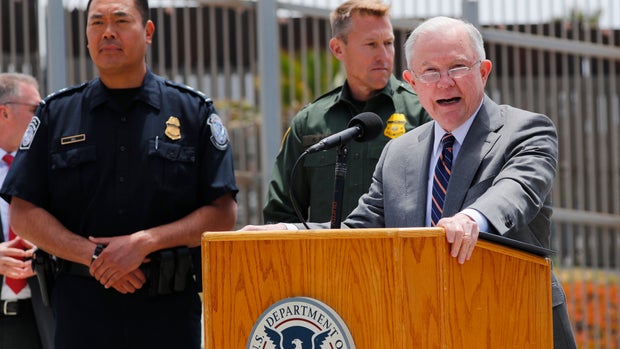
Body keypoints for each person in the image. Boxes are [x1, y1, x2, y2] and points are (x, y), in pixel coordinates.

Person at [244, 16, 577, 348]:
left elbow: (517, 189)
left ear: (484, 71)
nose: (445, 82)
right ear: (412, 82)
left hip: (514, 323)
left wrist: (471, 219)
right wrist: (289, 232)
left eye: (458, 67)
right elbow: (357, 232)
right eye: (429, 72)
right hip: (425, 326)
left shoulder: (527, 130)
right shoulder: (398, 153)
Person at [0, 0, 238, 348]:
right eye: (97, 22)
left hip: (167, 316)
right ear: (86, 36)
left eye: (120, 20)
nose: (107, 31)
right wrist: (93, 256)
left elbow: (222, 213)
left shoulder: (191, 112)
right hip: (81, 318)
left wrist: (145, 242)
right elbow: (23, 212)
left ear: (149, 31)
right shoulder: (57, 114)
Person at [262, 0, 429, 223]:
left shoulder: (424, 111)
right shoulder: (309, 122)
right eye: (371, 44)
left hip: (401, 255)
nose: (383, 55)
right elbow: (280, 214)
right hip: (326, 257)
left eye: (388, 43)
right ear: (338, 48)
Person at [0, 73, 55, 349]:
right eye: (36, 109)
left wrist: (49, 249)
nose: (42, 116)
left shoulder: (53, 167)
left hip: (44, 318)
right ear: (4, 112)